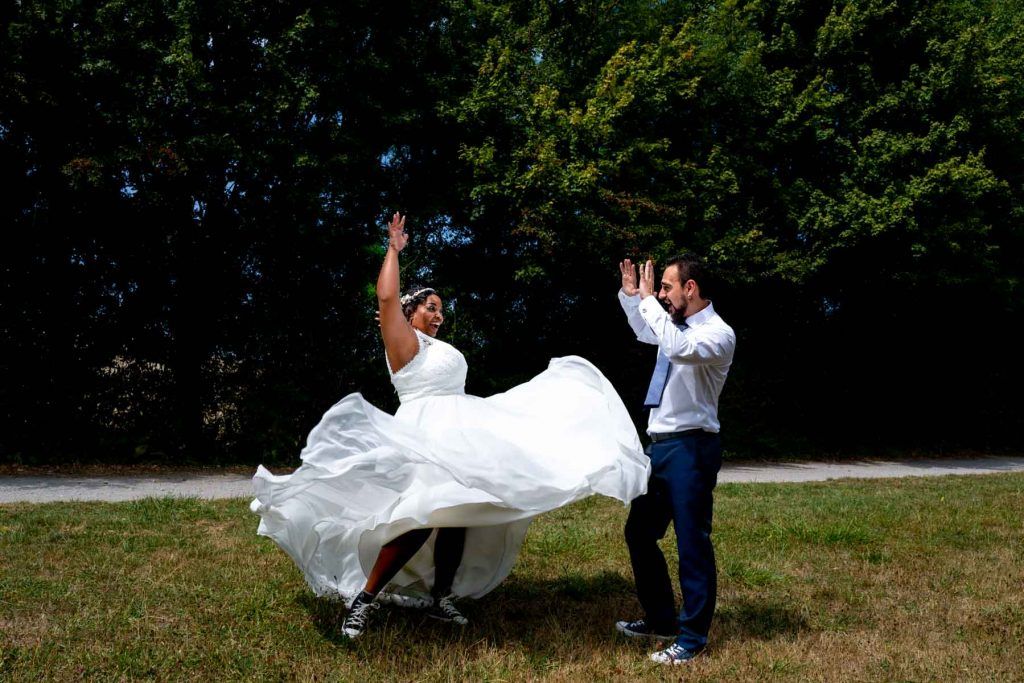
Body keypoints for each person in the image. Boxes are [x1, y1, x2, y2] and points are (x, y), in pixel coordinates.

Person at [251, 213, 650, 639]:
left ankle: (440, 597)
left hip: (461, 432)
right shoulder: (403, 341)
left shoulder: (434, 345)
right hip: (424, 436)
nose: (439, 315)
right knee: (421, 516)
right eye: (431, 308)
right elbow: (385, 296)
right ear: (410, 312)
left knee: (459, 514)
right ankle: (363, 601)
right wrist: (393, 249)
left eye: (441, 310)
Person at [614, 254, 736, 665]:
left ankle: (693, 638)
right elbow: (644, 331)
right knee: (639, 533)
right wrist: (634, 298)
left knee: (691, 542)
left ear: (691, 288)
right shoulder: (673, 326)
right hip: (660, 447)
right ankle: (661, 619)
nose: (663, 295)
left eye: (667, 287)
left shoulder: (718, 334)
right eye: (661, 288)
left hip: (692, 448)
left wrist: (649, 301)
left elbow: (677, 348)